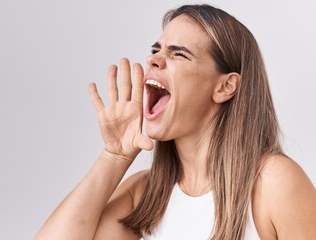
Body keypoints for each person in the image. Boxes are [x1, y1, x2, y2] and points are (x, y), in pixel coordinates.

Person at [35, 4, 316, 240]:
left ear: (225, 87)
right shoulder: (146, 195)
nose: (154, 59)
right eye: (157, 50)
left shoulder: (274, 183)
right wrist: (114, 156)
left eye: (178, 53)